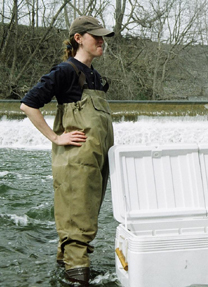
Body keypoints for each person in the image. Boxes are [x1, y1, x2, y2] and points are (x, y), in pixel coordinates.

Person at [20, 15, 115, 285]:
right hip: (75, 162)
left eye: (102, 37)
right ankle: (77, 278)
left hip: (94, 161)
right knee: (77, 223)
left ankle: (63, 271)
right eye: (95, 36)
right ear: (78, 38)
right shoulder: (65, 71)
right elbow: (28, 105)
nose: (101, 41)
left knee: (83, 219)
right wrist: (55, 137)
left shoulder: (94, 76)